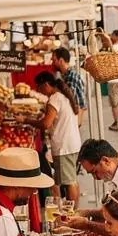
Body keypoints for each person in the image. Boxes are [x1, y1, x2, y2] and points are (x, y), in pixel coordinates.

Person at [34, 71, 81, 207]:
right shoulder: (61, 96)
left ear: (46, 85)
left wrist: (28, 120)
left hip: (64, 145)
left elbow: (45, 124)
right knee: (71, 180)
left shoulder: (55, 99)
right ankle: (74, 209)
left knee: (69, 181)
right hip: (71, 143)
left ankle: (72, 212)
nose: (39, 90)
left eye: (39, 87)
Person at [52, 46, 86, 126]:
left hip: (74, 120)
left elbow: (70, 100)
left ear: (61, 61)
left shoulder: (71, 77)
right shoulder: (64, 75)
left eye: (54, 60)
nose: (52, 63)